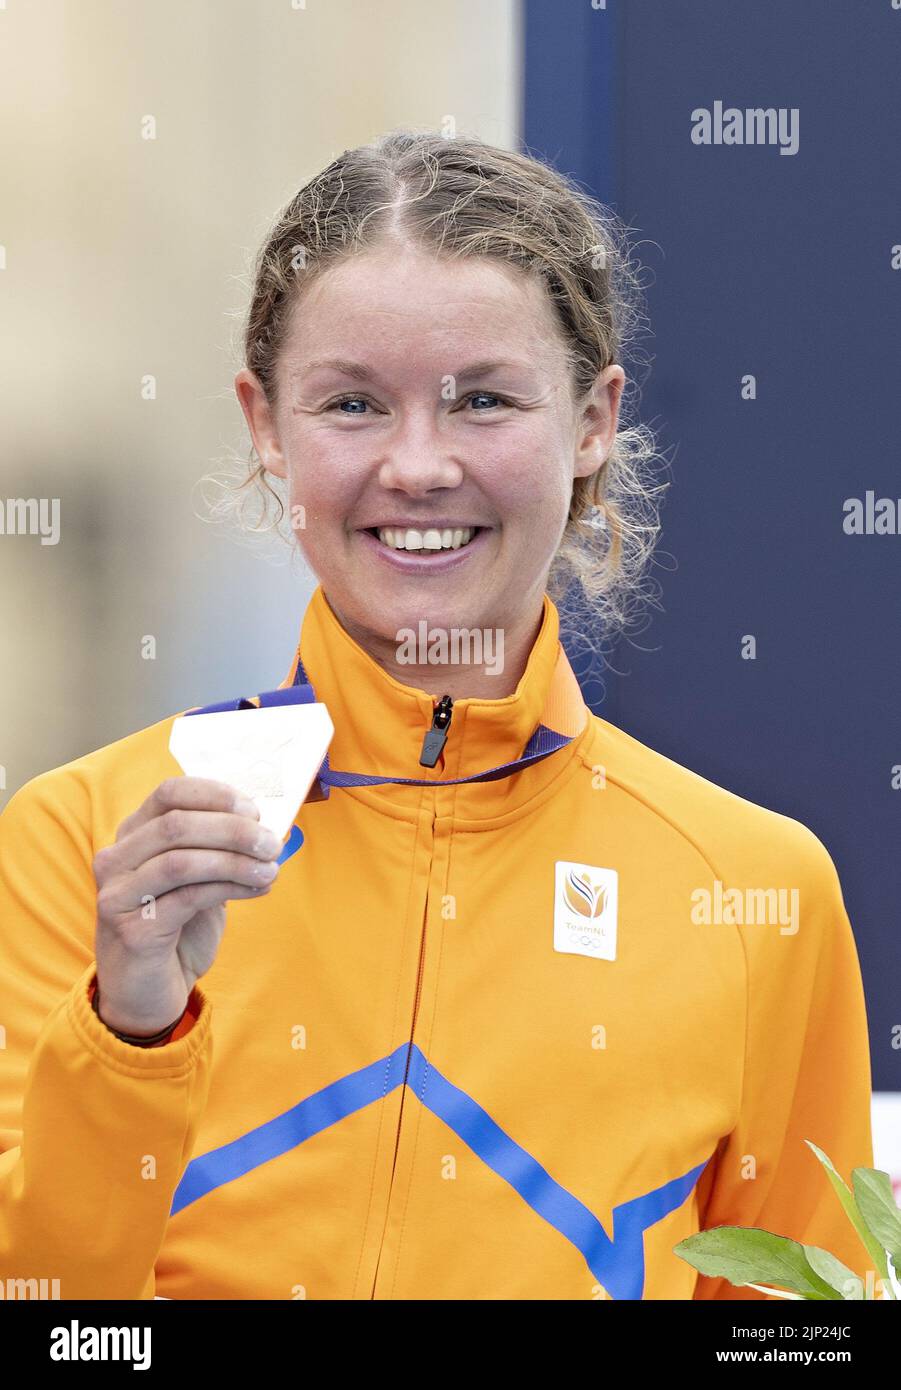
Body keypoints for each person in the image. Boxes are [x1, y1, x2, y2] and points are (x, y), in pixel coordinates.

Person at [0, 130, 873, 1301]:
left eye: (484, 400)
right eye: (353, 402)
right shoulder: (85, 845)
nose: (417, 466)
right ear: (267, 427)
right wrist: (130, 1032)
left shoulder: (756, 886)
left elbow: (803, 1322)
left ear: (592, 421)